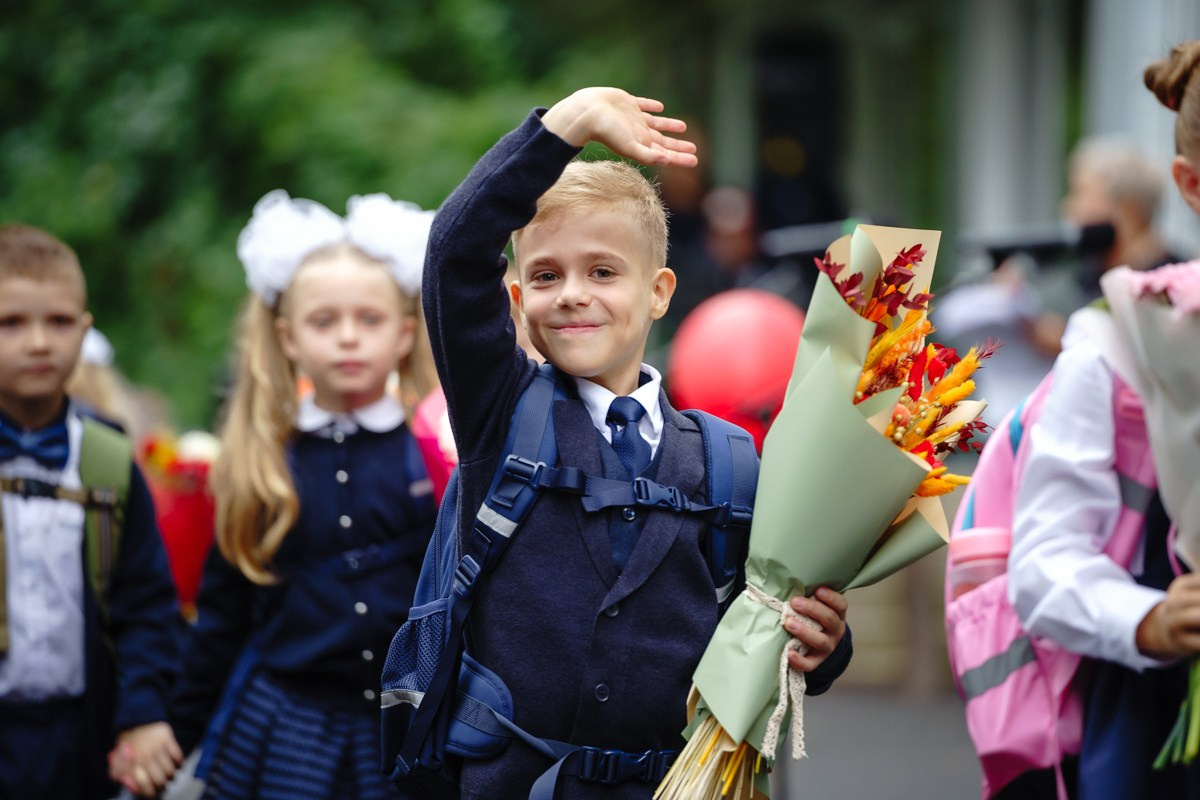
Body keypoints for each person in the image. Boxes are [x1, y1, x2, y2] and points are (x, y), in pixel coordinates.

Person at [419, 86, 853, 799]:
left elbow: (768, 626)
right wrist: (565, 127)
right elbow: (453, 254)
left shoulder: (727, 461)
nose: (571, 294)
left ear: (659, 292)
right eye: (546, 275)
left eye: (603, 272)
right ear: (519, 299)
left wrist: (825, 646)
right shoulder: (500, 413)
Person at [166, 191, 439, 799]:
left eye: (368, 320)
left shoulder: (434, 449)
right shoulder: (264, 460)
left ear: (403, 333)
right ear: (288, 337)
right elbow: (223, 614)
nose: (347, 338)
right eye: (324, 321)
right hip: (290, 726)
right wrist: (175, 731)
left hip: (409, 727)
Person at [1008, 40, 1200, 800]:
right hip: (1165, 733)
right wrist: (1150, 619)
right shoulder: (1124, 339)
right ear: (1191, 184)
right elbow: (1045, 559)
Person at [0, 223, 182, 799]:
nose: (38, 342)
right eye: (11, 323)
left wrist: (145, 711)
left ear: (84, 330)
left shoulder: (105, 456)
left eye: (58, 322)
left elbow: (146, 602)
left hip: (82, 734)